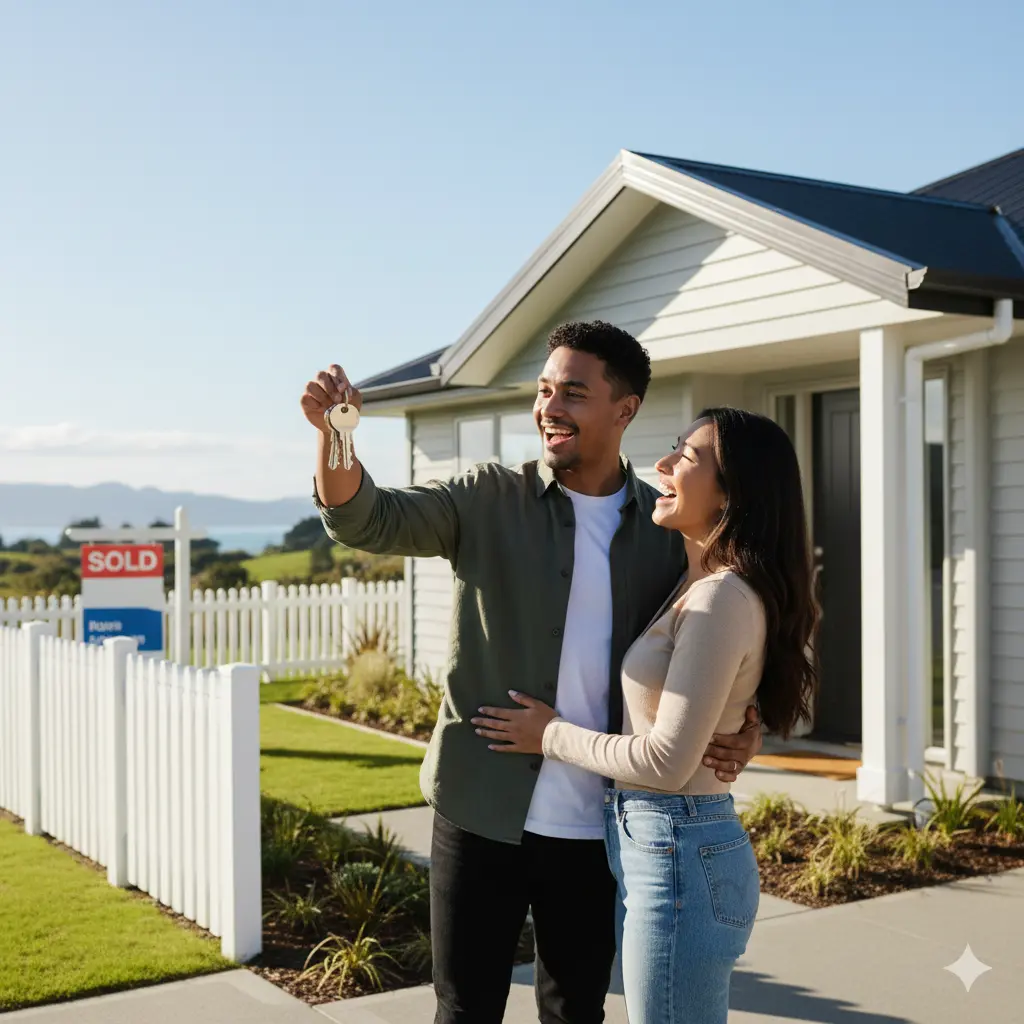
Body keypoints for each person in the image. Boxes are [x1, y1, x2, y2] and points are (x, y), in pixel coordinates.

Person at [300, 321, 765, 1024]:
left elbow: (724, 639)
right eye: (545, 390)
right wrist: (336, 437)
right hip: (478, 807)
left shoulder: (664, 532)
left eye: (573, 392)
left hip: (598, 823)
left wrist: (744, 723)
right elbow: (367, 519)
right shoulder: (489, 498)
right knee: (464, 1009)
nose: (550, 406)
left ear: (625, 409)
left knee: (576, 1012)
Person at [472, 407, 818, 1024]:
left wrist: (547, 733)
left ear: (731, 493)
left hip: (679, 848)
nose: (662, 465)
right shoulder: (697, 586)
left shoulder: (719, 598)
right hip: (665, 846)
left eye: (686, 456)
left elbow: (664, 761)